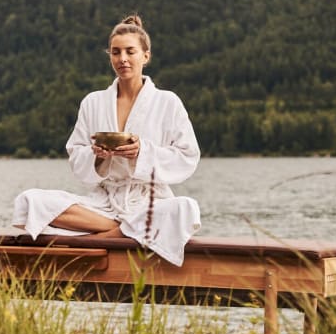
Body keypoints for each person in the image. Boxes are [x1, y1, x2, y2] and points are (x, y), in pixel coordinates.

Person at [12, 15, 201, 266]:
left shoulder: (168, 102)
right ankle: (122, 230)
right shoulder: (93, 101)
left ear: (146, 56)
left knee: (185, 209)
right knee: (30, 200)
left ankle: (99, 240)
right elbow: (77, 153)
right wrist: (98, 156)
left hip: (149, 201)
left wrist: (142, 153)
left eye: (130, 51)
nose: (122, 58)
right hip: (104, 203)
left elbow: (188, 156)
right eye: (115, 52)